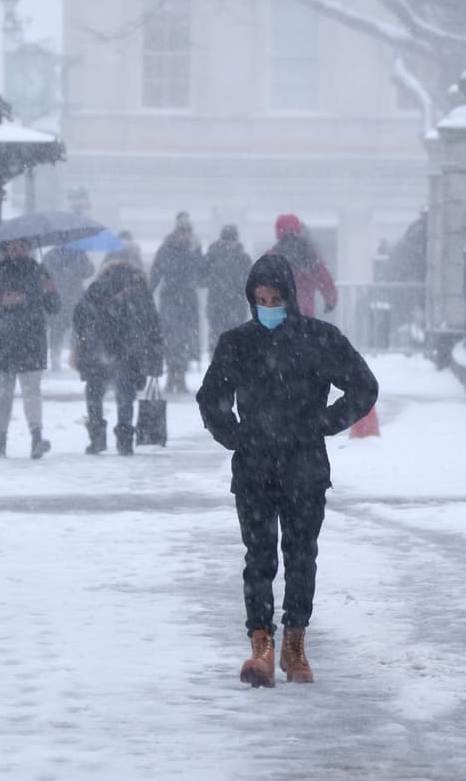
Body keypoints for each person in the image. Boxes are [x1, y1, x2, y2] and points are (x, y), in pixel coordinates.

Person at [196, 254, 379, 688]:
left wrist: (323, 423)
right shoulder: (237, 344)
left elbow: (363, 386)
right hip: (255, 468)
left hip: (304, 467)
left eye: (276, 298)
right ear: (251, 300)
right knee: (258, 559)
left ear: (291, 298)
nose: (269, 306)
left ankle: (295, 642)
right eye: (261, 299)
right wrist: (235, 435)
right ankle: (261, 643)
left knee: (300, 557)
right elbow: (211, 397)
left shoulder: (319, 340)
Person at [72, 253, 164, 455]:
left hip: (98, 349)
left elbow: (79, 316)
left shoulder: (97, 287)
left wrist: (89, 335)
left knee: (95, 391)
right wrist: (156, 357)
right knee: (126, 394)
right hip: (129, 351)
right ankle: (124, 439)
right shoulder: (140, 289)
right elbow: (153, 324)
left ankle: (97, 437)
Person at [0, 238, 60, 459]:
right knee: (3, 393)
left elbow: (54, 307)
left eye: (22, 246)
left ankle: (36, 436)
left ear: (29, 248)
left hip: (31, 340)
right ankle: (1, 440)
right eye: (13, 246)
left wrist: (50, 291)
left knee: (32, 391)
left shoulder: (40, 272)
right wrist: (1, 302)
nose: (18, 250)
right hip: (3, 341)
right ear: (5, 249)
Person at [149, 211, 204, 393]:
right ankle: (173, 375)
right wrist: (147, 293)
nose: (185, 236)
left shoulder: (192, 250)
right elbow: (157, 273)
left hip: (185, 300)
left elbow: (203, 275)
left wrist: (196, 252)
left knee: (184, 338)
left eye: (187, 232)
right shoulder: (167, 249)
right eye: (182, 232)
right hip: (173, 299)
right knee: (173, 338)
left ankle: (179, 375)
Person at [268, 213, 337, 316]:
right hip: (305, 312)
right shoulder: (310, 254)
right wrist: (330, 300)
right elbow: (324, 278)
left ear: (278, 231)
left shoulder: (271, 255)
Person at [42, 245, 94, 370]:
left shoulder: (50, 255)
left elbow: (42, 273)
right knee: (76, 329)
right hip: (73, 297)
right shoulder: (79, 254)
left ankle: (56, 358)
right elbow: (90, 271)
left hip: (58, 297)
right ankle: (74, 357)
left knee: (57, 330)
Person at [203, 224, 253, 356]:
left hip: (234, 307)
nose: (230, 244)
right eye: (227, 241)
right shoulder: (211, 257)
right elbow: (201, 279)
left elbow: (250, 281)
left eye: (232, 241)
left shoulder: (243, 259)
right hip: (218, 307)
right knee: (217, 343)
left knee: (234, 343)